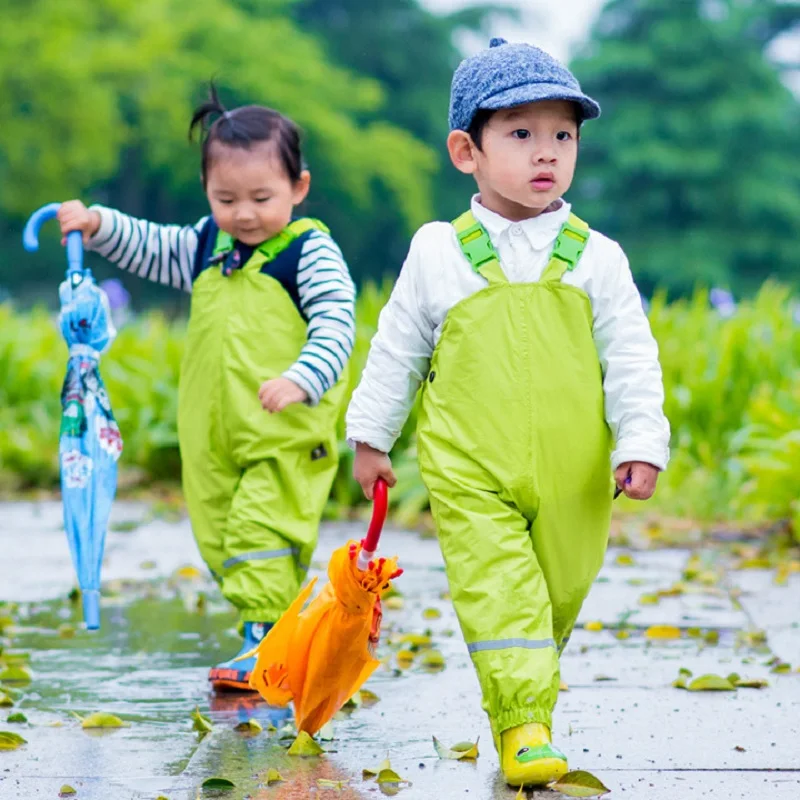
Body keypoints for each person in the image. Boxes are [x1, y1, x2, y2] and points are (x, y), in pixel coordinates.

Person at [346, 38, 670, 788]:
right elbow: (396, 346)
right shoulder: (439, 251)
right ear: (468, 151)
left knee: (555, 596)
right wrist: (371, 436)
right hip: (471, 467)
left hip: (575, 474)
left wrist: (642, 439)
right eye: (521, 135)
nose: (546, 153)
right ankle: (524, 727)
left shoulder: (597, 256)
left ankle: (526, 710)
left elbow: (631, 357)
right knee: (500, 592)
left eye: (562, 135)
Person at [58, 86, 356, 692]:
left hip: (284, 432)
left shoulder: (306, 252)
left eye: (261, 198)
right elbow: (148, 244)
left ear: (299, 187)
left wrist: (303, 378)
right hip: (213, 435)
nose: (244, 214)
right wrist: (96, 225)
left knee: (259, 533)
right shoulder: (206, 246)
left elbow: (336, 319)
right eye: (226, 199)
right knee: (220, 536)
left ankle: (265, 643)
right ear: (207, 194)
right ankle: (283, 627)